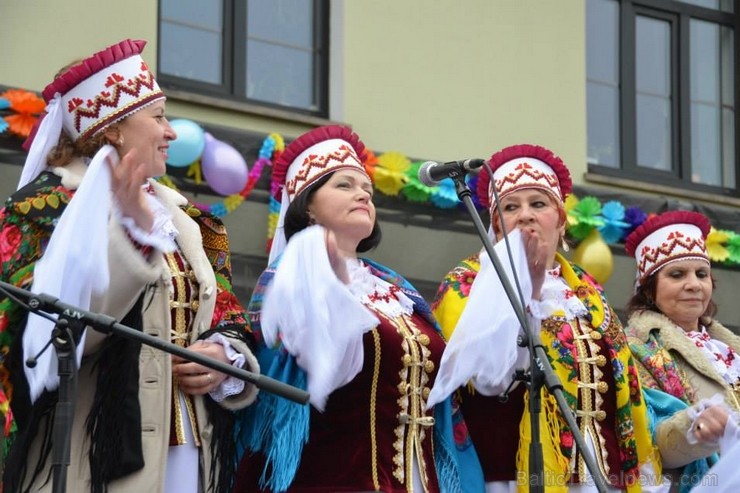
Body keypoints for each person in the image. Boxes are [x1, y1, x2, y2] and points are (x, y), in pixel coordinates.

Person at [0, 39, 258, 493]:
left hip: (194, 459)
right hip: (92, 460)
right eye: (158, 117)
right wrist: (134, 240)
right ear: (114, 129)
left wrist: (225, 358)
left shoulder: (191, 222)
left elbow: (227, 316)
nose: (172, 132)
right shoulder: (42, 210)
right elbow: (48, 342)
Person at [230, 125, 483, 493]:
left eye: (367, 189)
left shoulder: (396, 288)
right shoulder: (289, 278)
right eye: (344, 185)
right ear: (309, 206)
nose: (363, 194)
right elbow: (287, 372)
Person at [428, 144, 665, 492]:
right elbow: (487, 380)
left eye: (538, 204)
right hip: (516, 476)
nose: (525, 215)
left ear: (561, 218)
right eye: (511, 207)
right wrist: (530, 292)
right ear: (495, 224)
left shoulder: (587, 291)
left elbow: (625, 392)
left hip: (602, 480)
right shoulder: (465, 283)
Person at [625, 211, 739, 486]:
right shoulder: (634, 350)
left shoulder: (729, 349)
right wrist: (694, 429)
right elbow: (650, 439)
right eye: (677, 275)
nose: (694, 285)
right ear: (649, 290)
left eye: (702, 274)